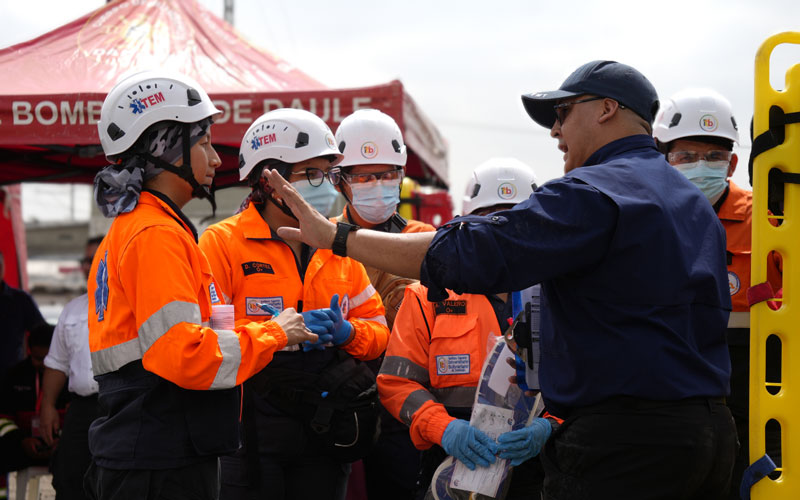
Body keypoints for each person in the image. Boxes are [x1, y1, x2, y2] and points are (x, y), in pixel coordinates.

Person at [263, 60, 738, 499]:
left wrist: (335, 237)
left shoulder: (593, 192)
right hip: (708, 434)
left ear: (607, 110)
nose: (555, 129)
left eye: (563, 112)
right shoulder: (690, 201)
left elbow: (470, 250)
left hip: (625, 445)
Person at [85, 71, 317, 500]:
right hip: (160, 460)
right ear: (165, 146)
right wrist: (274, 332)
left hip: (148, 450)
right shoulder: (155, 234)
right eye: (205, 142)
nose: (215, 159)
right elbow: (187, 357)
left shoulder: (142, 227)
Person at [198, 108, 390, 500]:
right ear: (269, 180)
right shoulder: (222, 243)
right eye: (313, 174)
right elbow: (208, 337)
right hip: (249, 425)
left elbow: (379, 332)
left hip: (323, 423)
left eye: (330, 175)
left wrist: (349, 332)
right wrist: (275, 336)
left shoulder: (339, 245)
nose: (328, 187)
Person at [377, 158, 552, 499]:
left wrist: (549, 426)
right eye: (491, 221)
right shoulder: (428, 294)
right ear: (467, 225)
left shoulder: (559, 294)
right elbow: (396, 382)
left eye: (515, 220)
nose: (503, 233)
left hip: (538, 466)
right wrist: (444, 428)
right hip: (451, 461)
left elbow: (588, 379)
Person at [653, 88, 783, 498]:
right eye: (686, 157)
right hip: (671, 380)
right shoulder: (644, 219)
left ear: (733, 162)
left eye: (713, 157)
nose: (701, 166)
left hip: (758, 381)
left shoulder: (769, 218)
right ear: (664, 161)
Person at [333, 108, 435, 500]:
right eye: (363, 176)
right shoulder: (323, 239)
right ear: (342, 182)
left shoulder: (422, 238)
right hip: (346, 397)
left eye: (388, 174)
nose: (377, 185)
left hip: (410, 396)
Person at [38, 236, 103, 500]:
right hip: (82, 410)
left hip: (123, 406)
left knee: (118, 482)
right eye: (85, 260)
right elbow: (57, 364)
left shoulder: (135, 303)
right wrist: (47, 406)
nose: (88, 265)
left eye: (94, 258)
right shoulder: (73, 310)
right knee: (68, 480)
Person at [0, 322, 68, 473]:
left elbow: (78, 417)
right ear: (29, 351)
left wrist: (61, 441)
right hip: (19, 453)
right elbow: (3, 419)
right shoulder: (14, 376)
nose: (43, 364)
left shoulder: (71, 378)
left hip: (63, 452)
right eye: (38, 358)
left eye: (48, 358)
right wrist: (22, 441)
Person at [0, 250, 45, 379]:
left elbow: (42, 333)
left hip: (12, 378)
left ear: (3, 267)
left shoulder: (20, 300)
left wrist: (37, 361)